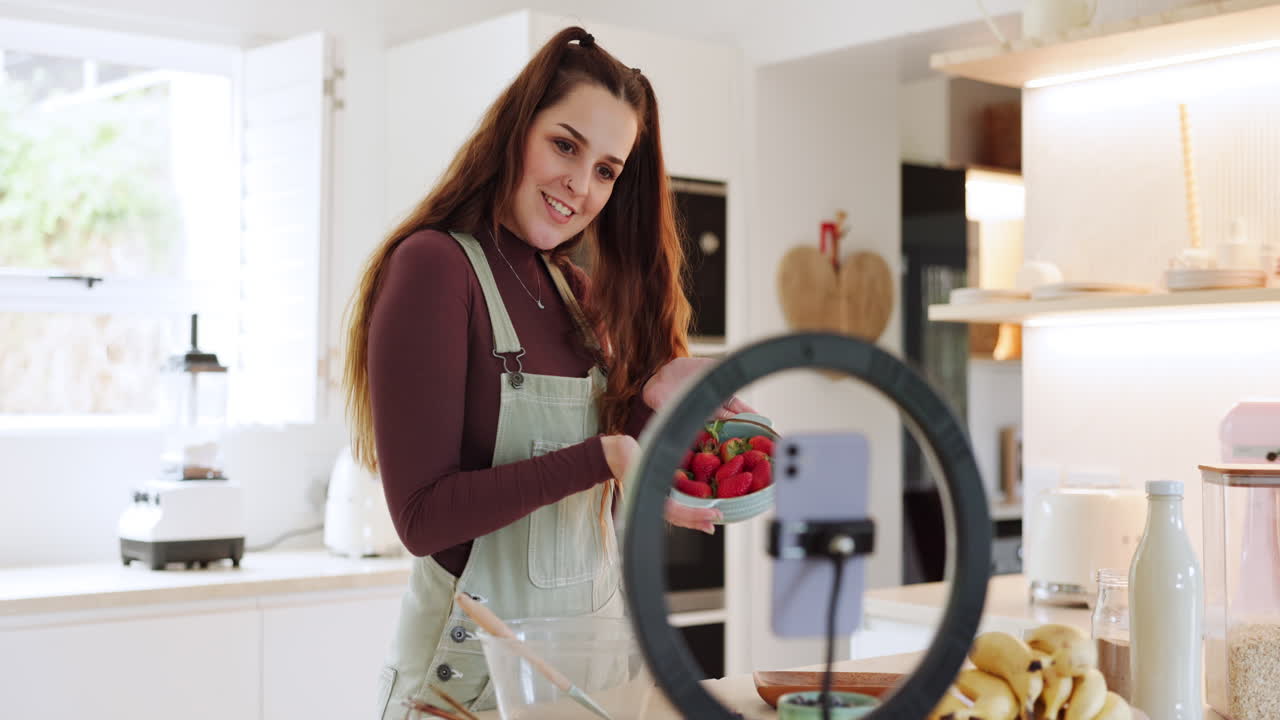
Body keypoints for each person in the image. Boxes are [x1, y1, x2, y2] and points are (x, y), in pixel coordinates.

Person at [343, 27, 751, 717]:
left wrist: (653, 397)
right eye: (565, 145)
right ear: (517, 129)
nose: (579, 185)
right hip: (464, 693)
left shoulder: (572, 292)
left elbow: (591, 503)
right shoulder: (435, 269)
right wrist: (606, 454)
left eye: (605, 170)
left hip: (581, 685)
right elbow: (421, 519)